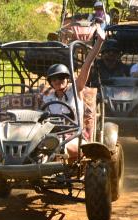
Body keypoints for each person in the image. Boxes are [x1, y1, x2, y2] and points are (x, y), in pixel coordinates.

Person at [42, 27, 104, 155]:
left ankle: (58, 156)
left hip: (75, 135)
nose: (58, 81)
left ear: (67, 78)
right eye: (54, 79)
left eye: (61, 77)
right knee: (37, 147)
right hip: (52, 137)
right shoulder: (48, 99)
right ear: (50, 82)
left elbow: (86, 66)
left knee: (60, 147)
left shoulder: (75, 90)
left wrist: (99, 42)